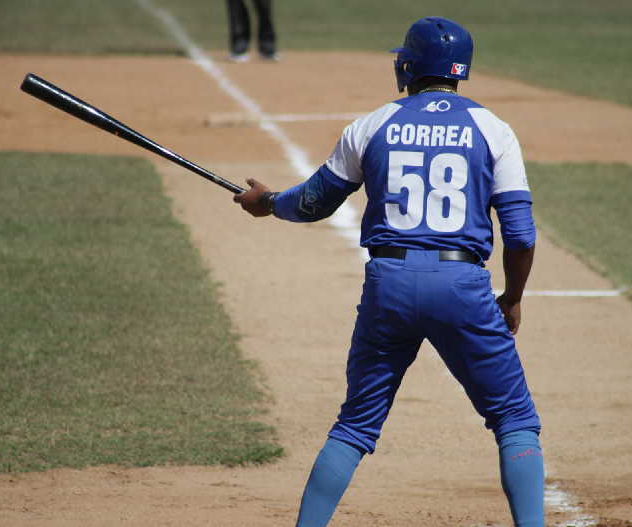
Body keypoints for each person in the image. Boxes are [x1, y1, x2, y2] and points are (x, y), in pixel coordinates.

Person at [234, 16, 545, 527]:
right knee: (514, 420)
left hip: (390, 285)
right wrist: (511, 297)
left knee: (355, 426)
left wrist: (267, 202)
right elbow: (521, 234)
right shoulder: (493, 129)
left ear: (408, 65)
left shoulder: (373, 124)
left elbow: (313, 203)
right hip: (464, 287)